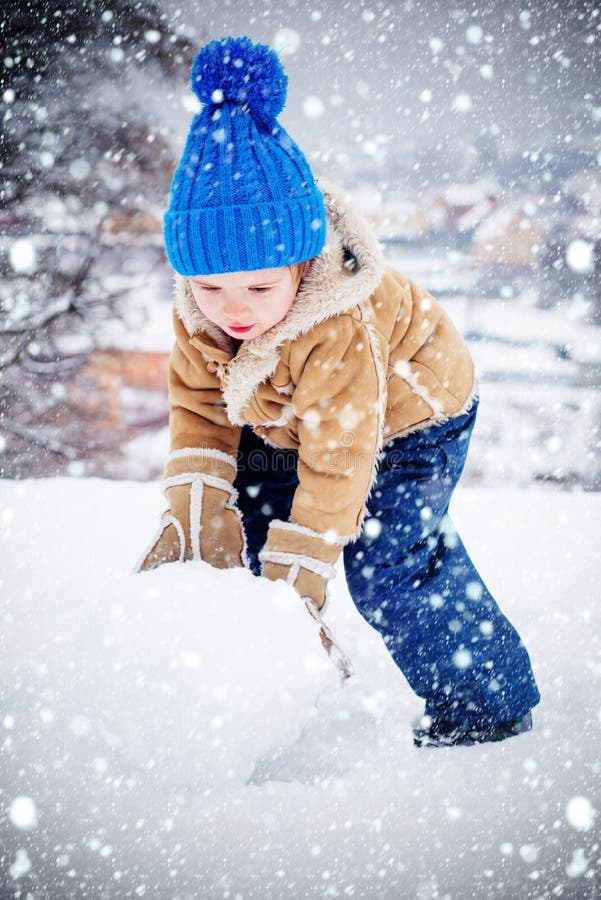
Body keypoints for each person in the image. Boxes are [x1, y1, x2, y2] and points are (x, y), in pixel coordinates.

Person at [137, 35, 540, 748]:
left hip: (410, 415)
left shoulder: (335, 318)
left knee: (385, 561)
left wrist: (309, 557)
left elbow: (341, 452)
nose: (234, 308)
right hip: (293, 416)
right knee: (245, 535)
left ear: (299, 266)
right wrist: (196, 503)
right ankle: (258, 684)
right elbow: (200, 410)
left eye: (259, 286)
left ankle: (486, 705)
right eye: (210, 286)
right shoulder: (203, 315)